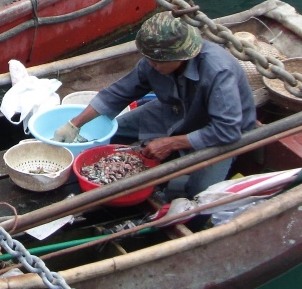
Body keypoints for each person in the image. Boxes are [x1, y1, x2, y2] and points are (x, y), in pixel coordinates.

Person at [53, 12, 257, 199]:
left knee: (200, 193)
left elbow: (228, 130)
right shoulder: (152, 62)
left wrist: (171, 143)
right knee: (113, 132)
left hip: (218, 133)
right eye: (148, 58)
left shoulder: (218, 71)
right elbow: (118, 93)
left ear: (180, 56)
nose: (150, 64)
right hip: (173, 110)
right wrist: (74, 124)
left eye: (157, 61)